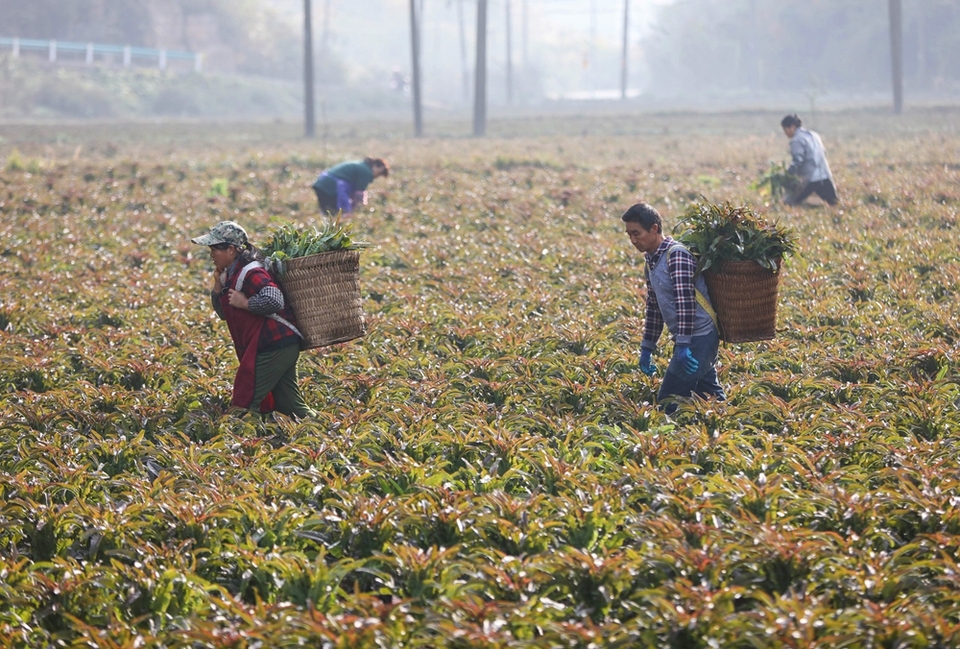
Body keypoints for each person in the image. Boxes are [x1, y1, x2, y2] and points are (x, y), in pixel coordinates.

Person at [192, 221, 315, 420]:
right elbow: (224, 313)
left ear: (231, 249)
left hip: (275, 346)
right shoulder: (231, 273)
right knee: (290, 405)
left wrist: (246, 303)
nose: (211, 254)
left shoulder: (252, 272)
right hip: (279, 345)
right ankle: (327, 427)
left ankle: (236, 433)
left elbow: (274, 300)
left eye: (215, 249)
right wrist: (217, 286)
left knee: (244, 403)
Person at [622, 203, 726, 414]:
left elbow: (685, 302)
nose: (633, 240)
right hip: (690, 339)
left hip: (700, 336)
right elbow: (654, 308)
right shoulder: (651, 261)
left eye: (636, 233)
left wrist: (684, 345)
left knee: (668, 398)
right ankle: (735, 424)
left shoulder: (676, 256)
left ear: (654, 228)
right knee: (709, 395)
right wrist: (647, 347)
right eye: (629, 234)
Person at [781, 114, 839, 206]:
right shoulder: (814, 135)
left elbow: (798, 160)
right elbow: (824, 153)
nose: (785, 133)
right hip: (824, 175)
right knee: (834, 203)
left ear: (792, 127)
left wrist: (788, 174)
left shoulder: (796, 140)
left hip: (809, 178)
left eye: (785, 129)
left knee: (790, 203)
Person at [312, 157, 389, 217]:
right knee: (339, 214)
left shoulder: (361, 166)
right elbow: (359, 195)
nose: (377, 176)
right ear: (375, 166)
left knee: (327, 214)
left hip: (321, 184)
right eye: (379, 173)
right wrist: (359, 211)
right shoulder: (366, 172)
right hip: (331, 188)